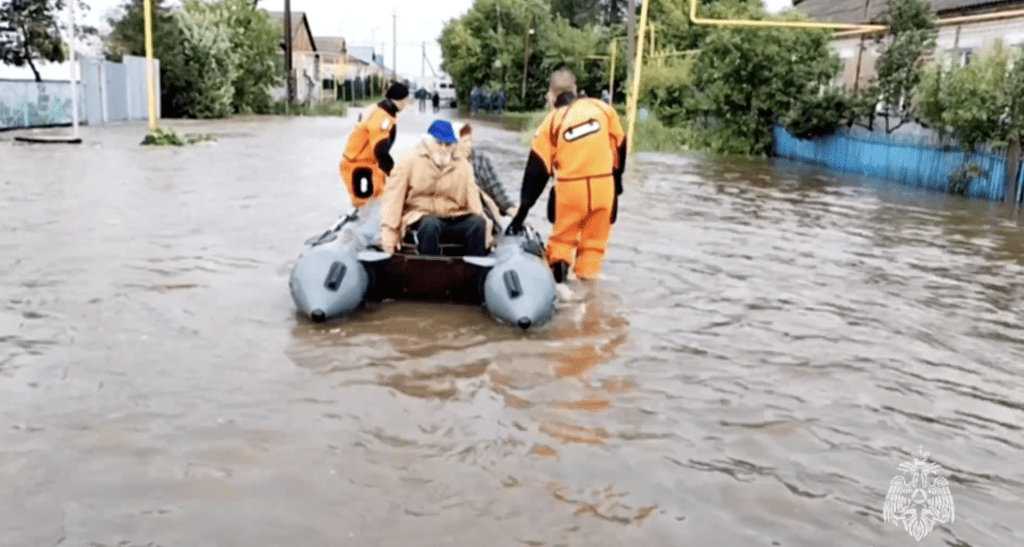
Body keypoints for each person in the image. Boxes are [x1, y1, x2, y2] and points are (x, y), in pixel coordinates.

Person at [506, 69, 627, 283]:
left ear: (552, 96)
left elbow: (537, 171)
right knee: (593, 249)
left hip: (571, 190)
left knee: (561, 244)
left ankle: (563, 292)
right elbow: (620, 144)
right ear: (575, 90)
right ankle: (590, 298)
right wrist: (616, 184)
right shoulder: (603, 109)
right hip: (603, 187)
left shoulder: (551, 122)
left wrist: (521, 215)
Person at [380, 120, 490, 257]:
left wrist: (486, 230)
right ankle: (429, 272)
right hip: (421, 218)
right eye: (439, 143)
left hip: (453, 217)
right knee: (430, 224)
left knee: (477, 224)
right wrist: (389, 237)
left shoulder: (464, 166)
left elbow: (474, 203)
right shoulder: (408, 162)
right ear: (428, 142)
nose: (443, 149)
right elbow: (393, 201)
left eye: (448, 144)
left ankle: (476, 271)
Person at [339, 82, 412, 208]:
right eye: (406, 100)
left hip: (367, 165)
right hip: (359, 167)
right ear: (401, 101)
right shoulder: (383, 118)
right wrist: (395, 175)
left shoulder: (376, 108)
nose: (406, 104)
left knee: (377, 201)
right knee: (365, 208)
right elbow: (381, 151)